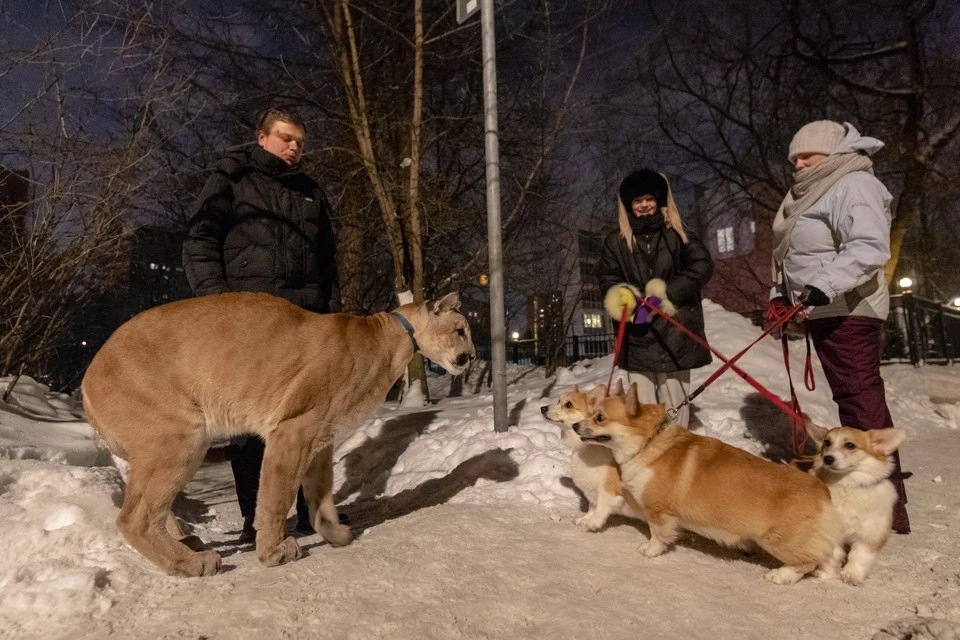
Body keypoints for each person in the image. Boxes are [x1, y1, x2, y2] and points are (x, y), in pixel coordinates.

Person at [182, 107, 337, 541]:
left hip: (307, 324)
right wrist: (220, 305)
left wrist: (331, 319)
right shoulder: (232, 178)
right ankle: (256, 520)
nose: (294, 147)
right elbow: (199, 240)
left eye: (300, 142)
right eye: (286, 138)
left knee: (309, 420)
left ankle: (310, 515)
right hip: (250, 324)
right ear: (261, 137)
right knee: (252, 424)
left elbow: (328, 261)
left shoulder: (310, 190)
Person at [769, 119, 910, 534]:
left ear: (833, 154)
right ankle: (861, 492)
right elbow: (790, 256)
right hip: (824, 308)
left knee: (860, 403)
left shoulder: (852, 184)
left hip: (849, 307)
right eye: (794, 157)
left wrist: (821, 286)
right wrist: (779, 295)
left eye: (807, 155)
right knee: (851, 401)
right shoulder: (810, 191)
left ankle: (884, 507)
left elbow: (869, 247)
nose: (799, 163)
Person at [598, 169, 714, 428]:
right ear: (629, 205)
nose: (643, 205)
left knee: (675, 406)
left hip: (676, 332)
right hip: (636, 334)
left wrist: (666, 294)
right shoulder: (615, 241)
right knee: (639, 406)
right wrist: (625, 298)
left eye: (648, 199)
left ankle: (676, 453)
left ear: (659, 200)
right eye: (637, 201)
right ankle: (645, 456)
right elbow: (608, 277)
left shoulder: (679, 234)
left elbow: (702, 265)